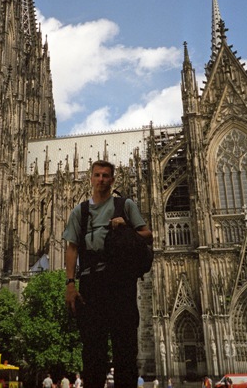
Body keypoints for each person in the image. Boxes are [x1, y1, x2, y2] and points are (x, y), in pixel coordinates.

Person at [64, 160, 152, 388]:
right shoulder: (80, 212)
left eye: (105, 176)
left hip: (121, 283)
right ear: (90, 179)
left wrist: (127, 228)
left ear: (113, 180)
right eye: (97, 175)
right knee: (93, 352)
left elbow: (147, 234)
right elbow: (72, 248)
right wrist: (70, 284)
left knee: (125, 350)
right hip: (92, 284)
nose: (101, 179)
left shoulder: (126, 205)